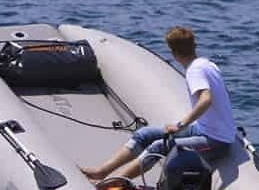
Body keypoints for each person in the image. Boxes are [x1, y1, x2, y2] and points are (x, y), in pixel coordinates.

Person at [81, 26, 236, 181]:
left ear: (174, 53)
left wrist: (180, 124)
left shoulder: (194, 71)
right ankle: (102, 171)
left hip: (216, 141)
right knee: (144, 134)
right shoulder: (208, 64)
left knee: (158, 147)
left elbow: (206, 99)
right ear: (194, 46)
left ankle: (116, 182)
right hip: (203, 129)